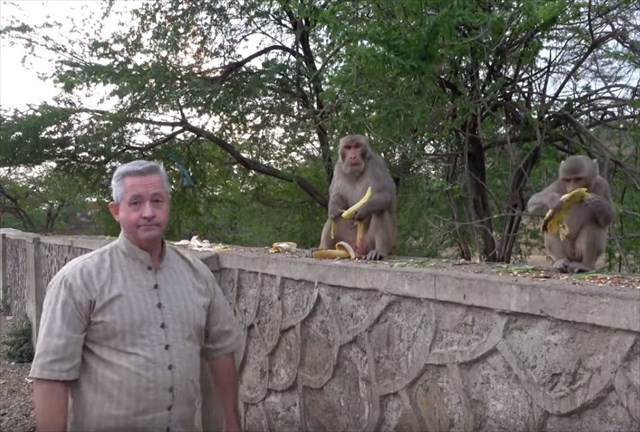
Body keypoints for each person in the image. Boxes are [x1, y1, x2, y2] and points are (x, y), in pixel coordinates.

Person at [30, 160, 242, 432]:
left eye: (157, 201)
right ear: (116, 210)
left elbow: (221, 350)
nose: (149, 212)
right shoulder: (78, 280)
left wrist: (232, 421)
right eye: (136, 203)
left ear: (168, 204)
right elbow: (51, 375)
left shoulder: (197, 275)